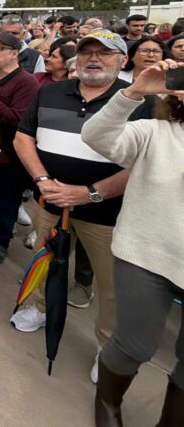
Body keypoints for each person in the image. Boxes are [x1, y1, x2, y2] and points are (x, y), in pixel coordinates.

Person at [11, 30, 151, 386]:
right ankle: (41, 308)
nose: (93, 58)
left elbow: (141, 163)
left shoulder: (139, 102)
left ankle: (108, 345)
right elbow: (24, 137)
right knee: (46, 261)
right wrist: (43, 182)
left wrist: (88, 193)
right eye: (87, 51)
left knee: (110, 284)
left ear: (123, 59)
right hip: (51, 198)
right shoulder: (52, 91)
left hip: (107, 211)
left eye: (104, 53)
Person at [81, 58, 184, 427]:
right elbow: (97, 136)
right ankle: (108, 404)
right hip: (147, 255)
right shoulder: (155, 132)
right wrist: (133, 92)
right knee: (134, 344)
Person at [0, 32, 40, 265]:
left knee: (6, 203)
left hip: (8, 157)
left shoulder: (26, 82)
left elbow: (19, 120)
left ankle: (0, 242)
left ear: (15, 54)